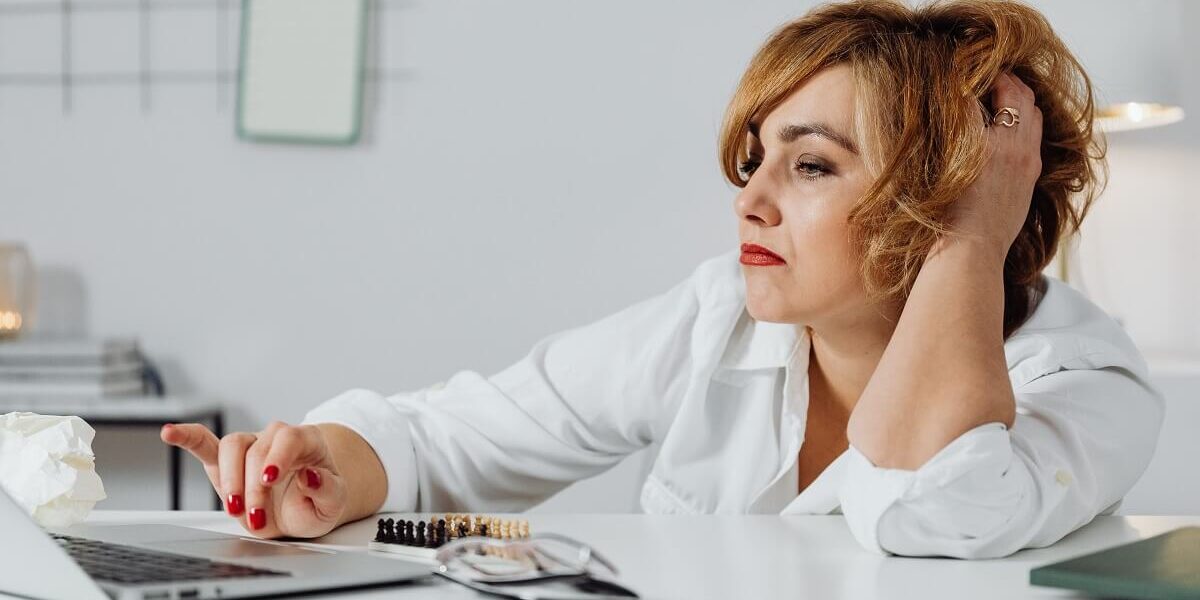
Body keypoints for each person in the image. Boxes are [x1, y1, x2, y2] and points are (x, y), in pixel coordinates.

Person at [161, 0, 1164, 559]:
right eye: (753, 160)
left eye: (810, 165)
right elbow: (446, 436)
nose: (751, 200)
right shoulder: (721, 322)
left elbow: (932, 508)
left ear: (950, 195)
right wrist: (329, 467)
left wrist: (969, 243)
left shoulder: (1086, 386)